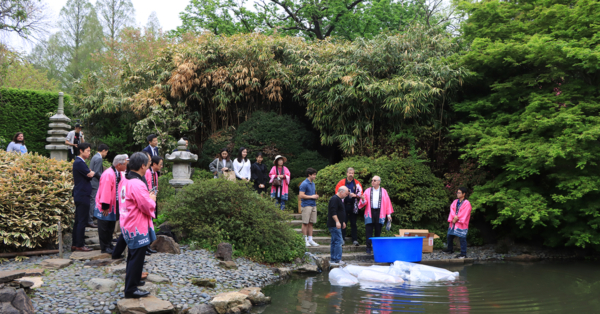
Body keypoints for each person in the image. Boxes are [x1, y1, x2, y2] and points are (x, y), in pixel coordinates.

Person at [120, 152, 157, 299]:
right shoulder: (137, 183)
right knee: (136, 257)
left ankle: (133, 282)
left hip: (127, 221)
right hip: (137, 225)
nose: (148, 167)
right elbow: (146, 205)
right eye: (147, 164)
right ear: (142, 166)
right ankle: (130, 289)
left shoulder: (125, 180)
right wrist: (152, 198)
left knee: (132, 256)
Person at [94, 154, 128, 254]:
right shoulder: (108, 174)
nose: (126, 166)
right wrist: (105, 205)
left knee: (111, 225)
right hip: (106, 204)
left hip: (114, 203)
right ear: (118, 165)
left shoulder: (118, 173)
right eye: (125, 164)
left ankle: (109, 244)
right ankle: (104, 247)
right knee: (104, 226)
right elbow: (105, 190)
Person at [358, 176, 394, 255]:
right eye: (372, 180)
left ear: (379, 182)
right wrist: (363, 199)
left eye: (374, 180)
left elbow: (387, 203)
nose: (372, 182)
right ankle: (368, 248)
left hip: (380, 212)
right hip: (369, 212)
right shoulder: (368, 190)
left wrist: (389, 215)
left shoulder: (384, 191)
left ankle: (376, 248)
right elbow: (363, 203)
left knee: (378, 231)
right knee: (368, 231)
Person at [72, 142, 95, 252]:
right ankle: (80, 244)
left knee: (78, 220)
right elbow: (89, 175)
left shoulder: (80, 162)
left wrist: (90, 173)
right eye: (88, 151)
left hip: (80, 194)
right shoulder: (79, 162)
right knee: (82, 220)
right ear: (81, 151)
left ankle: (75, 243)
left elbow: (89, 174)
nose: (89, 153)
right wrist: (91, 173)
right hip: (82, 194)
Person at [334, 168, 363, 246]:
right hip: (343, 205)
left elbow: (361, 194)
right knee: (343, 222)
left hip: (353, 206)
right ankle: (342, 239)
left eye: (352, 173)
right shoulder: (341, 182)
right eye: (350, 173)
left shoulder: (357, 183)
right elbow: (337, 193)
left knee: (354, 223)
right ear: (347, 173)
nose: (351, 174)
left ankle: (355, 240)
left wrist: (355, 195)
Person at [443, 187, 472, 259]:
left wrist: (456, 218)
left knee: (462, 237)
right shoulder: (455, 201)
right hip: (453, 222)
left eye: (459, 192)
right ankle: (450, 249)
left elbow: (465, 213)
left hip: (461, 223)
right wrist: (454, 218)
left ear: (464, 194)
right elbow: (452, 210)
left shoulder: (467, 203)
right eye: (457, 192)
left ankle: (463, 253)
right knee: (449, 236)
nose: (457, 194)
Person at [88, 144, 109, 228]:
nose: (106, 154)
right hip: (95, 182)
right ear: (103, 150)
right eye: (106, 152)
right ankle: (90, 220)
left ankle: (91, 218)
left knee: (92, 200)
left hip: (92, 181)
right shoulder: (99, 158)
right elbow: (96, 172)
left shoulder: (94, 156)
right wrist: (104, 178)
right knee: (93, 200)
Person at [328, 186, 349, 266]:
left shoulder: (339, 199)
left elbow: (340, 211)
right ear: (341, 192)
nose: (346, 195)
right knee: (338, 241)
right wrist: (337, 221)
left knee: (334, 241)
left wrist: (342, 221)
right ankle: (337, 259)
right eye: (346, 193)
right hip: (334, 224)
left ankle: (334, 259)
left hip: (337, 223)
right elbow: (333, 211)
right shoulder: (335, 199)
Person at [299, 168, 320, 247]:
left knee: (311, 223)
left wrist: (315, 196)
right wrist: (312, 196)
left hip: (313, 205)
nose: (315, 176)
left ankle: (310, 239)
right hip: (306, 205)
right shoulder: (304, 183)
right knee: (305, 223)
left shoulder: (313, 183)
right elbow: (301, 195)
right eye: (314, 174)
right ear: (309, 175)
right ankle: (305, 240)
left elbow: (312, 195)